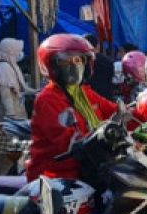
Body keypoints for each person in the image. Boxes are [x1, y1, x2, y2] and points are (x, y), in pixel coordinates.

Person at [26, 34, 118, 182]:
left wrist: (146, 112)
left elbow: (115, 111)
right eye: (65, 61)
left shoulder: (84, 92)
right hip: (54, 177)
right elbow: (67, 140)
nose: (74, 65)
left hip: (89, 169)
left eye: (78, 60)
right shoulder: (47, 99)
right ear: (51, 65)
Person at [0, 38, 28, 121]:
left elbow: (22, 88)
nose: (20, 53)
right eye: (17, 51)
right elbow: (5, 94)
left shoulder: (10, 65)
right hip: (8, 118)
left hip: (16, 112)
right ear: (10, 51)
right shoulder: (3, 68)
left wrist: (36, 91)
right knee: (7, 133)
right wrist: (10, 114)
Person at [83, 33, 116, 101]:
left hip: (88, 98)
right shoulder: (108, 61)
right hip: (106, 97)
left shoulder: (82, 60)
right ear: (98, 46)